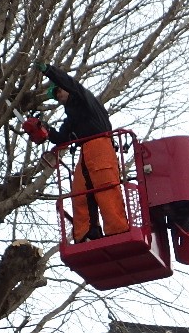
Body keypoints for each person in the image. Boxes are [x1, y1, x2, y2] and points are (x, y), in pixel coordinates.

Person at [32, 61, 129, 243]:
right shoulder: (72, 118)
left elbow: (70, 83)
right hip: (86, 151)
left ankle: (118, 231)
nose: (58, 96)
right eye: (55, 95)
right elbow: (62, 138)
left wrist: (49, 71)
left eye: (59, 91)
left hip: (101, 147)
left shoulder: (84, 99)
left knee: (106, 189)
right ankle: (88, 232)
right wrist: (45, 129)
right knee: (80, 191)